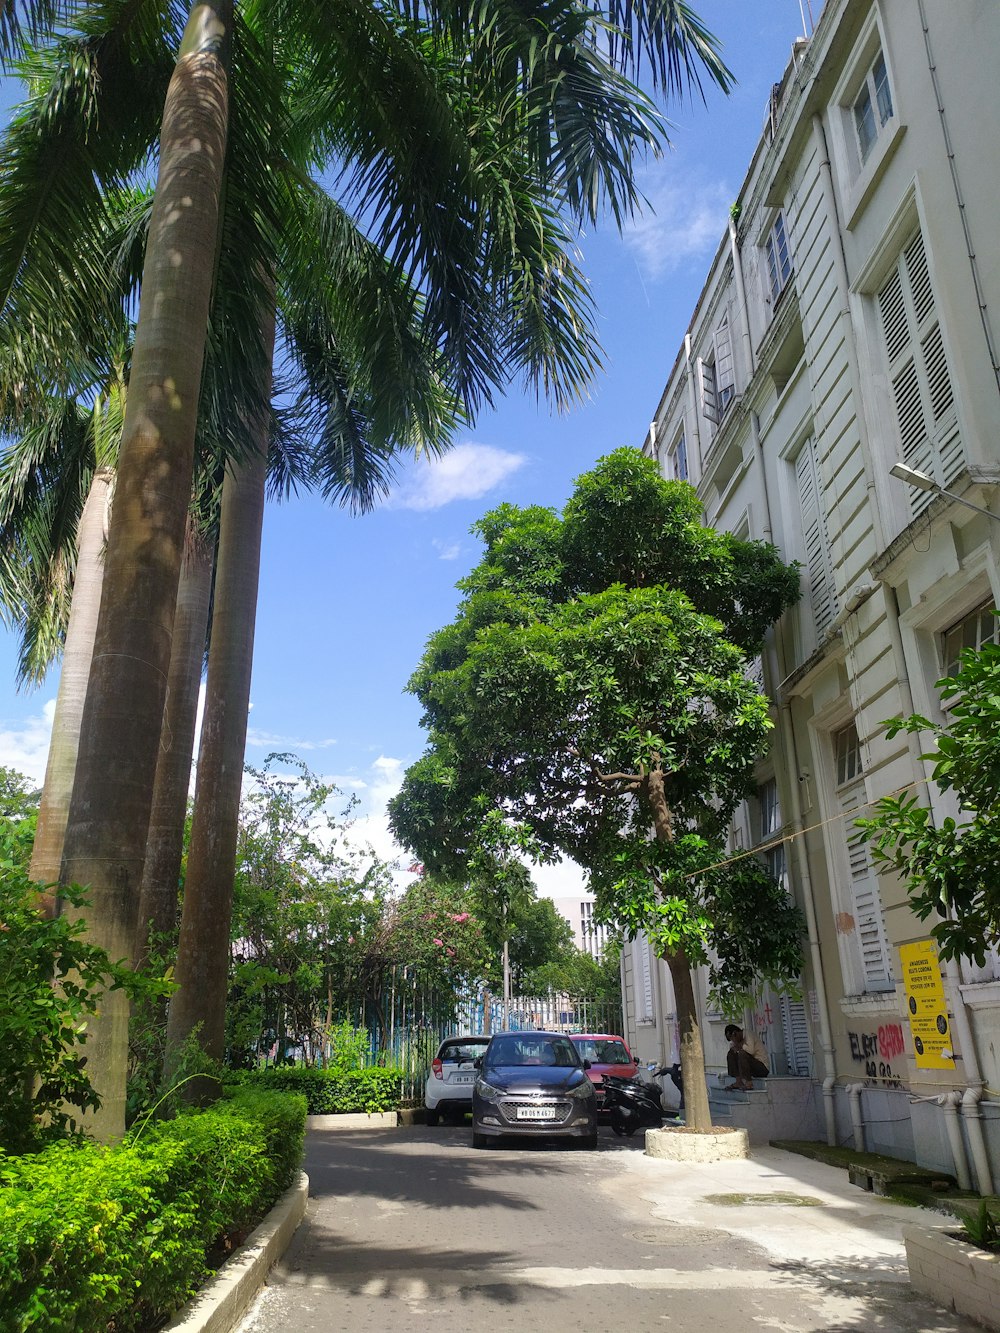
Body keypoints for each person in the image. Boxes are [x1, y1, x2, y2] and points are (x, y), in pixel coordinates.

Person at [725, 1023, 769, 1091]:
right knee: (731, 1054)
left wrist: (738, 1045)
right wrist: (734, 1048)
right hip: (751, 1069)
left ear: (735, 1033)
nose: (733, 1041)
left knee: (742, 1054)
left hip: (762, 1067)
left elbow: (751, 1051)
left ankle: (749, 1083)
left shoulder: (749, 1034)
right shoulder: (738, 1042)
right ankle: (738, 1081)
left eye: (732, 1038)